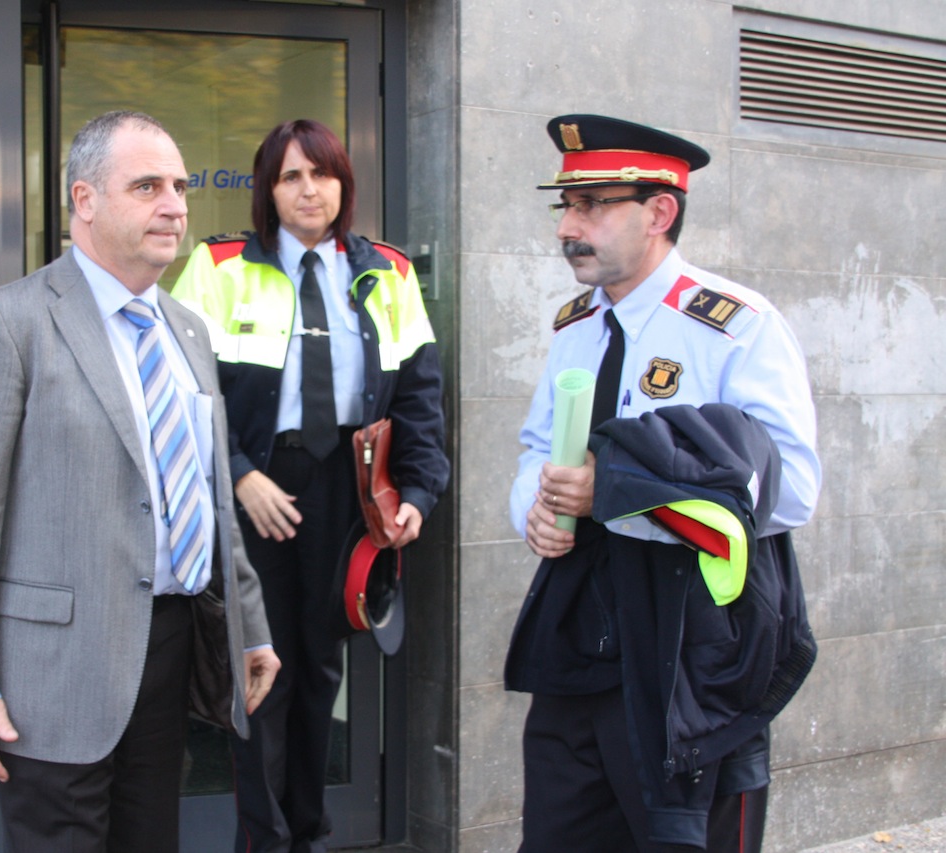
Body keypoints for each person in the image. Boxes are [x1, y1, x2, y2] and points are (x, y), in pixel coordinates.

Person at [0, 110, 280, 852]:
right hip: (50, 677)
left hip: (169, 651)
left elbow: (208, 498)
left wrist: (250, 624)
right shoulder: (6, 324)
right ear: (84, 200)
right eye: (146, 186)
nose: (174, 205)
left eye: (178, 186)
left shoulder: (186, 330)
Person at [505, 115, 823, 853]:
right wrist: (535, 507)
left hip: (690, 656)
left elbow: (791, 486)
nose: (568, 228)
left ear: (660, 211)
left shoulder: (735, 327)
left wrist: (618, 493)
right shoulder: (576, 325)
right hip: (580, 641)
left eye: (592, 205)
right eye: (566, 206)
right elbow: (534, 447)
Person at [172, 118, 448, 853]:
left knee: (322, 668)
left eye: (320, 174)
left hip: (348, 492)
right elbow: (183, 393)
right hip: (259, 486)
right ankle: (263, 840)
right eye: (290, 175)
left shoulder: (387, 270)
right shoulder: (219, 264)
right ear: (267, 187)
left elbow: (420, 392)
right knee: (264, 670)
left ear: (342, 184)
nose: (307, 189)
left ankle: (308, 835)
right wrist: (241, 477)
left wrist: (417, 494)